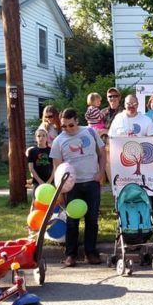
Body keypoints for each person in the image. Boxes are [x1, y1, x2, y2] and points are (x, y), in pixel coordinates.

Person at [50, 108, 106, 267]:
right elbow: (57, 168)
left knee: (92, 219)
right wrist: (59, 191)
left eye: (71, 125)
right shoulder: (58, 141)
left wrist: (101, 173)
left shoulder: (90, 132)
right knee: (72, 221)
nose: (67, 129)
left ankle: (90, 253)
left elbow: (102, 154)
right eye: (64, 126)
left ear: (77, 121)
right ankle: (70, 255)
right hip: (72, 187)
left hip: (92, 182)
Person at [26, 128, 53, 201]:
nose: (41, 138)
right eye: (39, 136)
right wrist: (40, 181)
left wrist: (49, 181)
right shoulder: (32, 151)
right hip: (37, 182)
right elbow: (31, 168)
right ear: (35, 138)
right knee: (36, 202)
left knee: (50, 203)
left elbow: (55, 168)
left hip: (50, 182)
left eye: (44, 136)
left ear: (47, 138)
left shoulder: (51, 151)